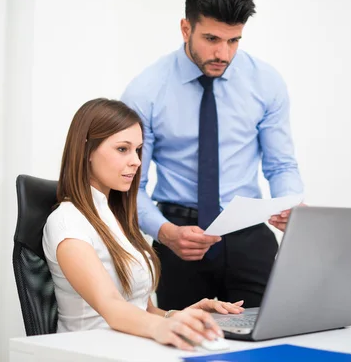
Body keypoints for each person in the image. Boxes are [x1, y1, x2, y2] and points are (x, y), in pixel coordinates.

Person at [121, 0, 304, 311]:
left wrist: (289, 202)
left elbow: (281, 165)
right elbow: (132, 184)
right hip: (179, 239)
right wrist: (163, 232)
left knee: (268, 341)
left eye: (233, 40)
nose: (224, 53)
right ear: (185, 28)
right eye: (212, 39)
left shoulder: (266, 83)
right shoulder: (145, 92)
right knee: (183, 345)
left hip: (249, 236)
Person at [42, 98, 244, 351]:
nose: (136, 161)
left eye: (138, 150)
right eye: (122, 149)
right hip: (91, 351)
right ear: (86, 151)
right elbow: (113, 308)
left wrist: (179, 317)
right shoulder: (67, 222)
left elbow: (143, 309)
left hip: (130, 346)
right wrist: (163, 328)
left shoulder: (115, 218)